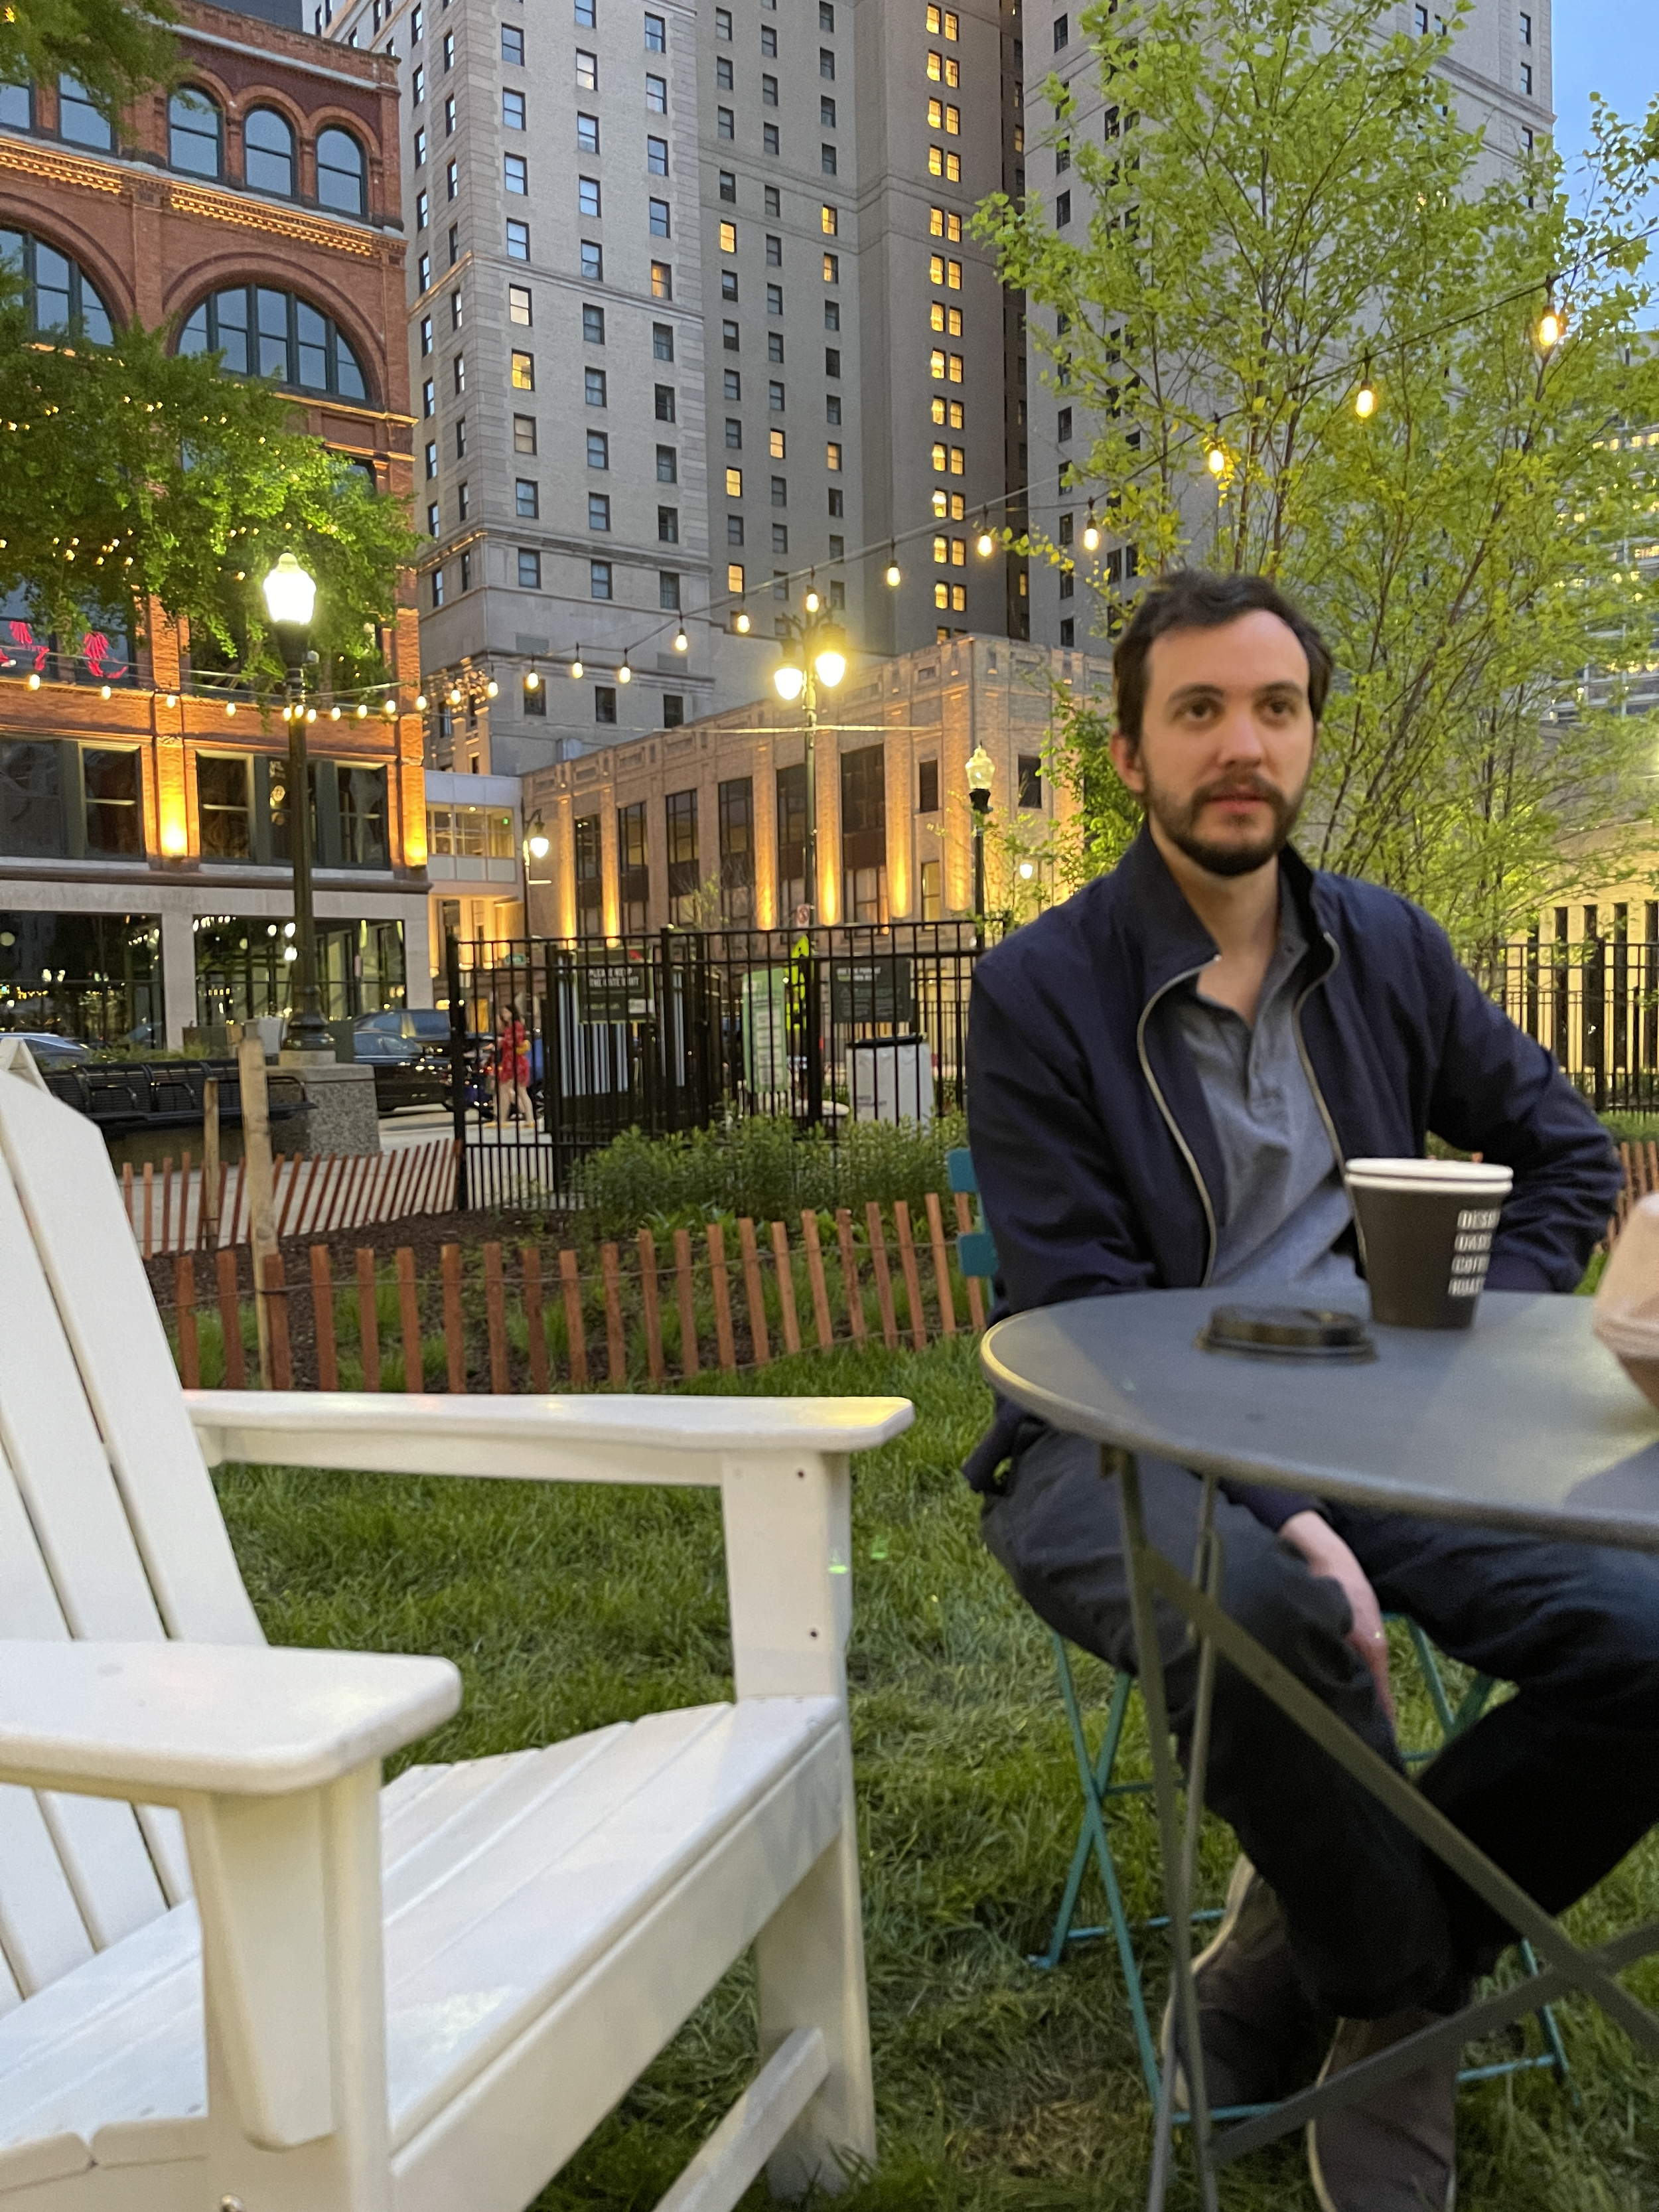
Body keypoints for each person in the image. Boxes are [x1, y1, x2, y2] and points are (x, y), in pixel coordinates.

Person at [964, 569, 1658, 2212]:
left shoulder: (1387, 950)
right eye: (1196, 710)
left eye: (1270, 709)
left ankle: (1297, 1967)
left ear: (1305, 739)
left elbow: (1561, 1155)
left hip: (1375, 1414)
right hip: (1103, 1439)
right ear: (1131, 752)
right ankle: (1395, 1994)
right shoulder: (1040, 988)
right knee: (1264, 1611)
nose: (1238, 745)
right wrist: (1275, 1501)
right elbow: (1072, 1318)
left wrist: (1448, 1316)